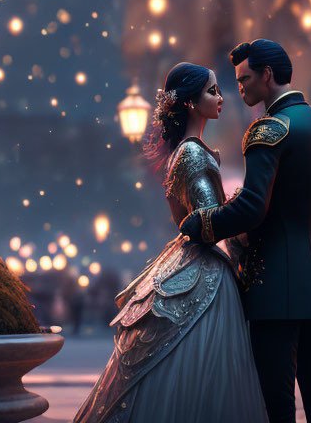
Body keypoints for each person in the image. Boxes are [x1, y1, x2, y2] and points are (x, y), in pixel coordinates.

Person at [72, 62, 268, 423]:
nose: (221, 97)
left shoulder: (188, 150)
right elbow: (209, 220)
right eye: (212, 91)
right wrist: (250, 208)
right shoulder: (193, 152)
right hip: (204, 271)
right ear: (191, 103)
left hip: (194, 260)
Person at [181, 39, 311, 423]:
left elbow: (252, 209)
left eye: (244, 79)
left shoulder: (268, 130)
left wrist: (201, 224)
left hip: (274, 284)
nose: (238, 88)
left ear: (267, 76)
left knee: (277, 407)